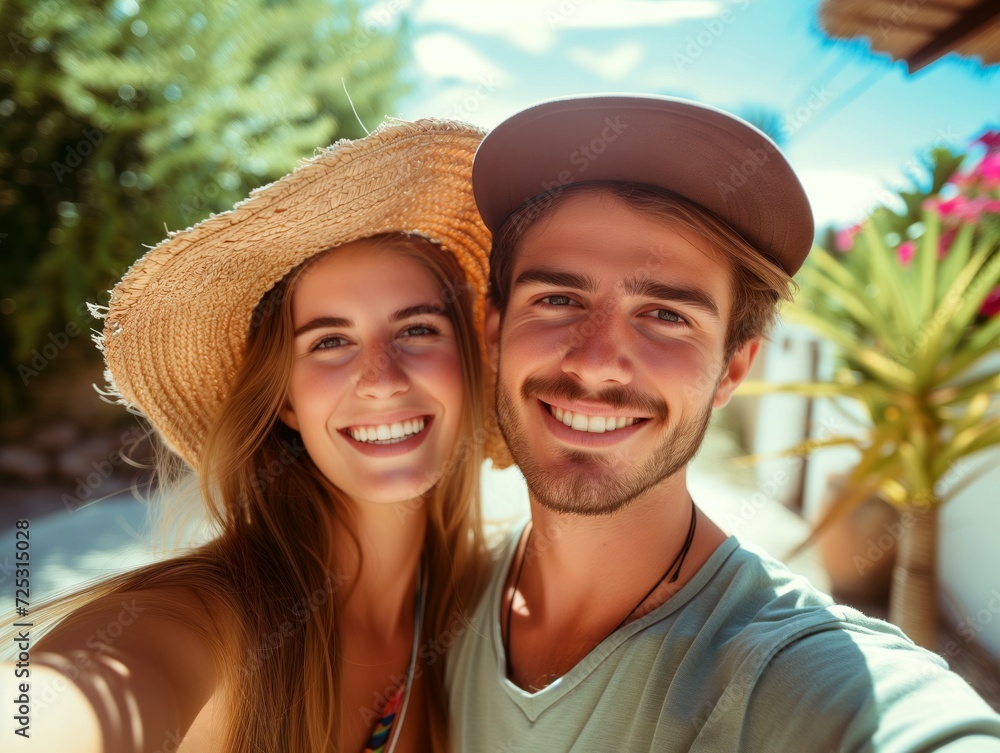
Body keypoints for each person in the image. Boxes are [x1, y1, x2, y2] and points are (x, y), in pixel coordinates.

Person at [446, 94, 1000, 752]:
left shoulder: (789, 674)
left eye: (665, 315)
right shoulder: (444, 596)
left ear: (734, 368)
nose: (596, 365)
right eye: (559, 298)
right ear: (494, 331)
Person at [2, 119, 511, 752]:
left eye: (417, 330)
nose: (381, 380)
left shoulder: (487, 607)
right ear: (287, 405)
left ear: (469, 363)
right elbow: (64, 707)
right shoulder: (206, 619)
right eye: (329, 341)